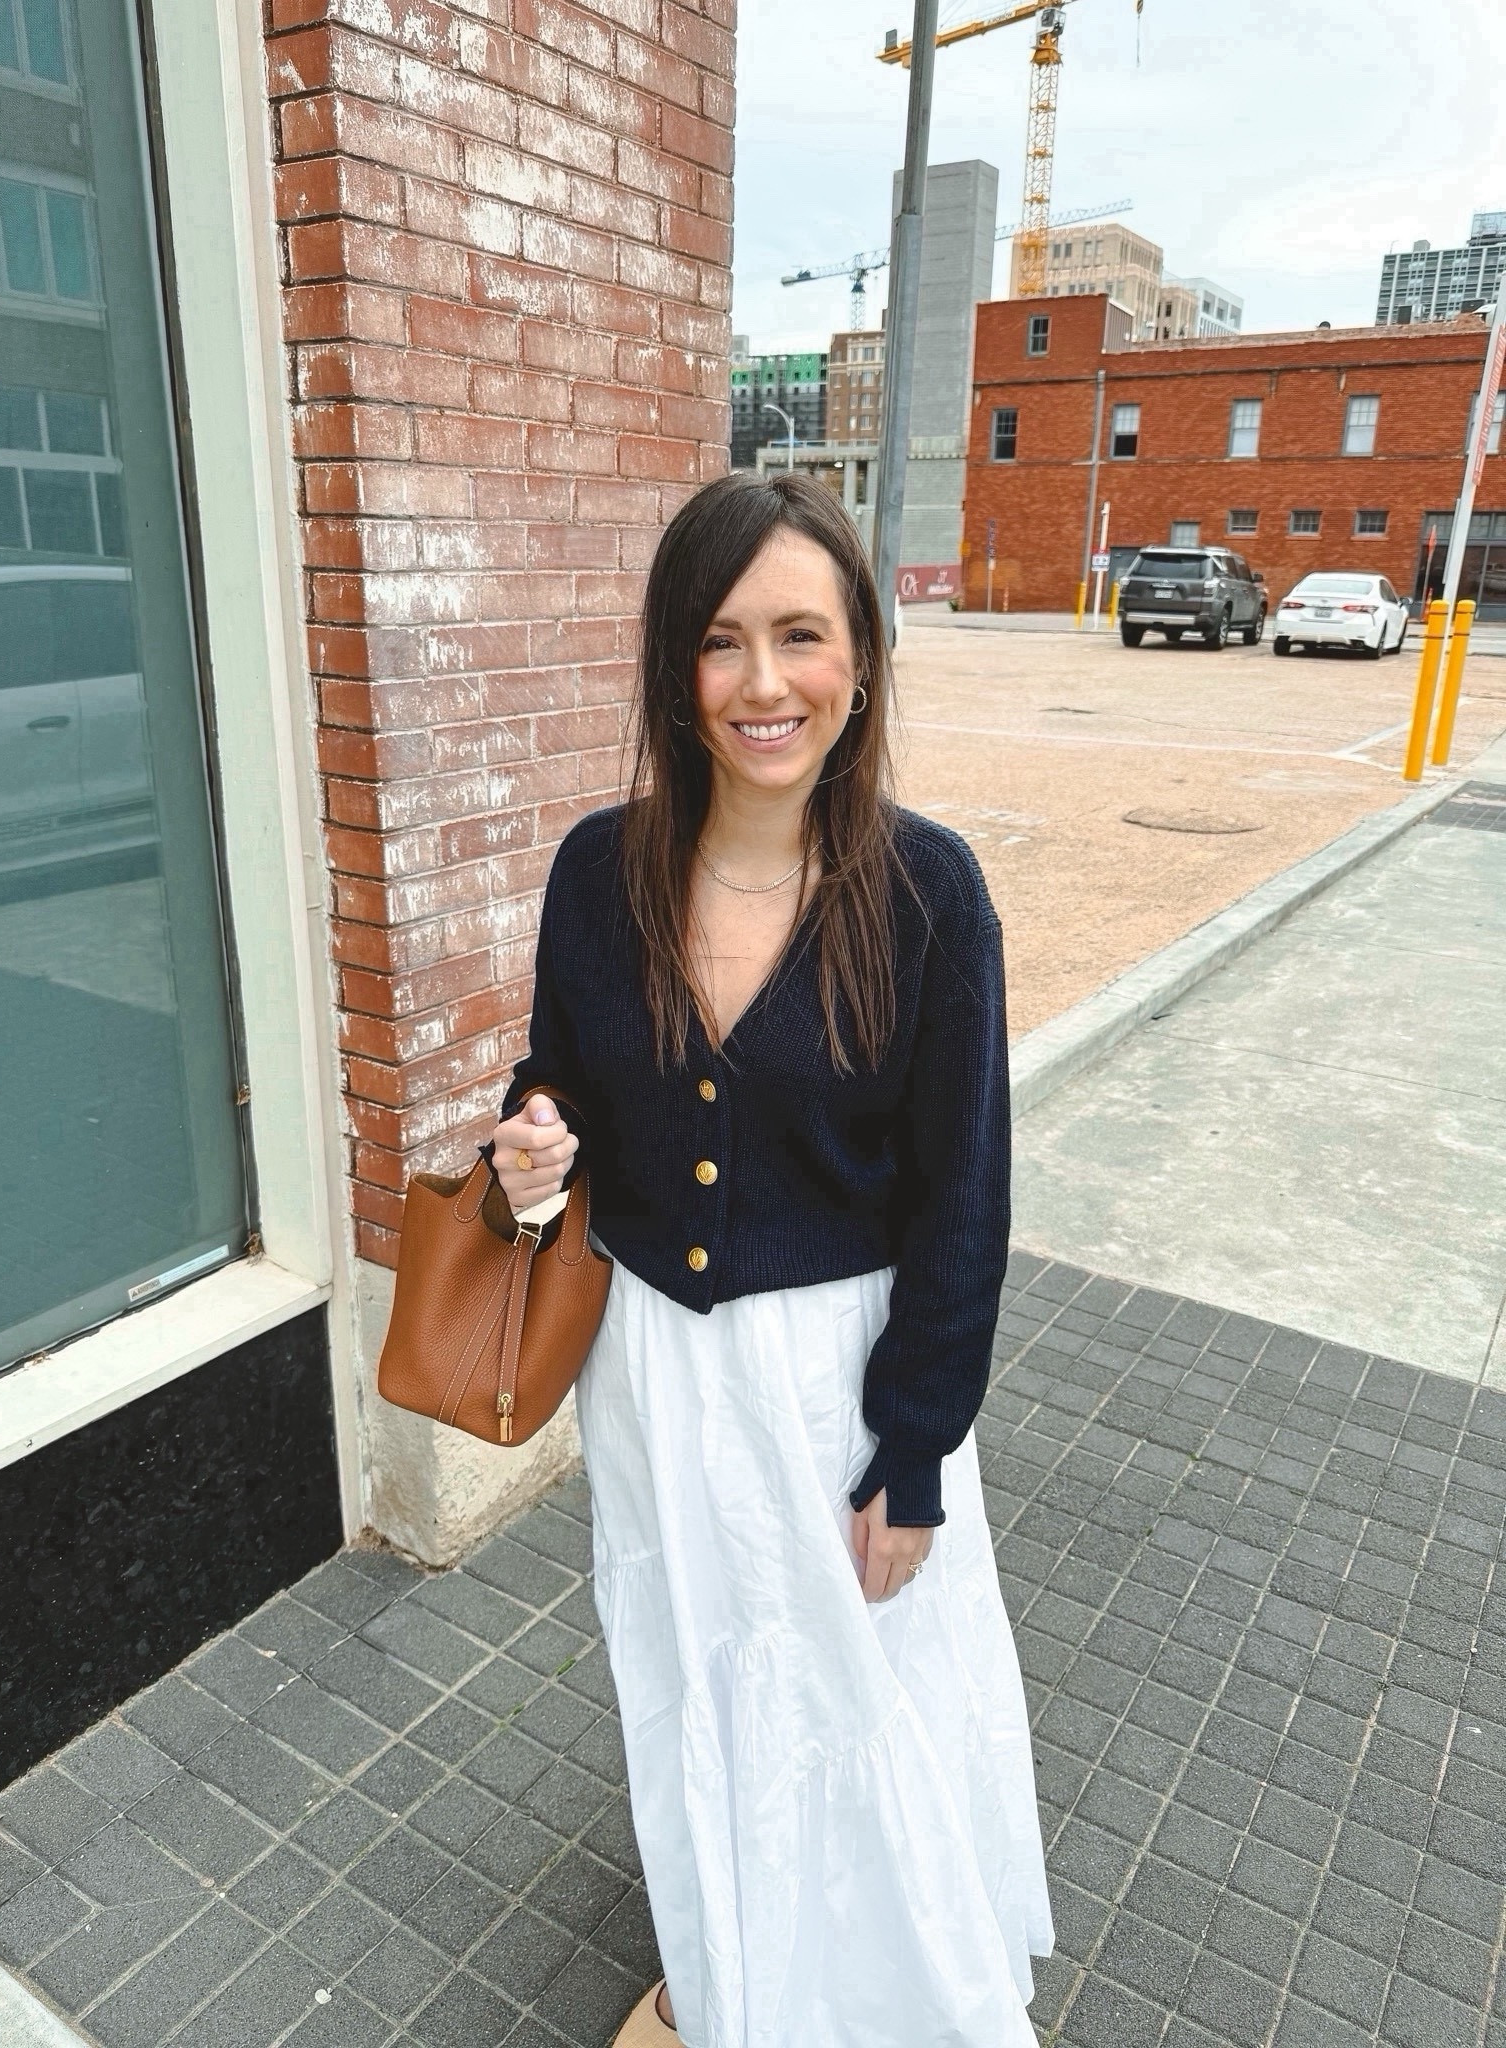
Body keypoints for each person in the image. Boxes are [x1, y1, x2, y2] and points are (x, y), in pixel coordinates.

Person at [486, 472, 1052, 2047]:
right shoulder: (600, 872)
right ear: (679, 666)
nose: (763, 683)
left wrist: (917, 1452)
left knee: (862, 1694)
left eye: (801, 636)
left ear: (860, 659)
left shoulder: (929, 892)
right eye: (723, 642)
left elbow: (962, 1200)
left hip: (837, 1381)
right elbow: (565, 1083)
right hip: (658, 1371)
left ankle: (890, 1992)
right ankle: (729, 1964)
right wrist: (534, 1140)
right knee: (698, 1669)